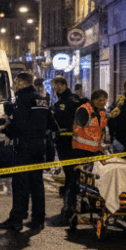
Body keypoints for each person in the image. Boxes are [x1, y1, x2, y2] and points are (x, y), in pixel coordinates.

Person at [0, 72, 57, 232]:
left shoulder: (23, 99)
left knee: (21, 183)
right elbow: (52, 123)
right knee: (37, 182)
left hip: (24, 147)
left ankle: (17, 219)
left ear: (23, 83)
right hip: (39, 146)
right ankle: (38, 219)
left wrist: (7, 128)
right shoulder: (42, 99)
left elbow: (19, 126)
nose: (13, 86)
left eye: (16, 83)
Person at [69, 89, 111, 214]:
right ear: (94, 100)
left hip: (94, 152)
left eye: (105, 100)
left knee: (91, 182)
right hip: (80, 151)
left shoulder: (101, 113)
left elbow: (100, 130)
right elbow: (80, 123)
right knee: (76, 181)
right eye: (100, 100)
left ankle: (89, 206)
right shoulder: (84, 110)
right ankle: (69, 208)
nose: (103, 103)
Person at [51, 76, 82, 213]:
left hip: (69, 144)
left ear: (64, 85)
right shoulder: (62, 100)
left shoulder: (69, 101)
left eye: (58, 86)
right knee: (70, 173)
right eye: (54, 86)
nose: (56, 89)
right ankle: (70, 203)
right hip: (65, 142)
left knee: (70, 174)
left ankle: (69, 206)